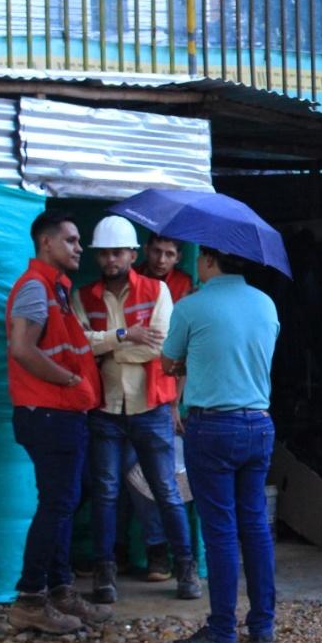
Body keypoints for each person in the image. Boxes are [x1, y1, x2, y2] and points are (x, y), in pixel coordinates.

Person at [72, 216, 200, 603]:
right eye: (104, 252)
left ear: (131, 254)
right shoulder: (85, 295)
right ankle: (104, 575)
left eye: (117, 252)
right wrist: (125, 334)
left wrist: (105, 345)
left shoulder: (158, 289)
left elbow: (157, 348)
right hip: (105, 408)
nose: (110, 259)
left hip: (151, 405)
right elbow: (80, 346)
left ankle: (185, 569)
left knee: (165, 490)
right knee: (107, 493)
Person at [162, 247, 279, 643]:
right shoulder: (266, 304)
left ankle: (222, 630)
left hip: (212, 427)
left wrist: (187, 363)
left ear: (210, 260)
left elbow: (167, 361)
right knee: (256, 526)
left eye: (200, 259)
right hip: (259, 424)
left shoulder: (191, 306)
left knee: (220, 530)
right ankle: (263, 627)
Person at [4, 210, 111, 633]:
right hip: (48, 412)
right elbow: (22, 348)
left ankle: (60, 590)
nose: (79, 248)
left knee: (66, 500)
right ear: (46, 243)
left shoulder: (58, 289)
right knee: (58, 503)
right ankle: (31, 598)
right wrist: (69, 380)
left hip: (61, 413)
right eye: (71, 240)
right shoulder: (36, 288)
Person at [132, 232, 196, 579]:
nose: (161, 259)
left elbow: (183, 351)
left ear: (178, 257)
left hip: (168, 393)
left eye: (169, 253)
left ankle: (178, 558)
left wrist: (175, 403)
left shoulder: (183, 285)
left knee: (168, 481)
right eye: (156, 251)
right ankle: (152, 550)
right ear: (146, 250)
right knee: (133, 479)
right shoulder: (134, 278)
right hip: (130, 389)